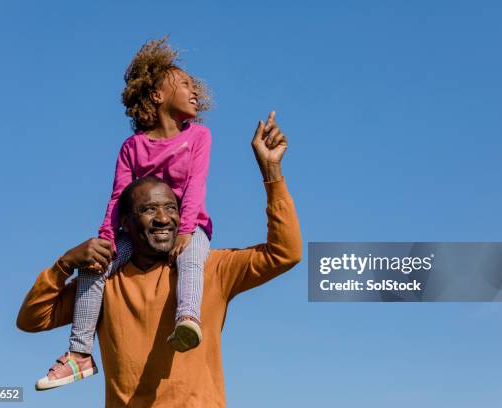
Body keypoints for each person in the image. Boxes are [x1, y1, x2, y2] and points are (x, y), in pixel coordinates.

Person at [17, 112, 302, 407]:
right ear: (125, 223)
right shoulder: (104, 282)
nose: (164, 218)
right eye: (149, 210)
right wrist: (63, 265)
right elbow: (31, 319)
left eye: (171, 208)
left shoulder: (211, 268)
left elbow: (285, 253)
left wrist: (272, 173)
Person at [34, 38, 214, 390]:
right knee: (95, 267)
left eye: (195, 88)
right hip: (137, 233)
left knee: (192, 260)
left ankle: (187, 318)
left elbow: (196, 185)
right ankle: (80, 354)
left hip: (190, 227)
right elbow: (119, 197)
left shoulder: (199, 137)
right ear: (157, 96)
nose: (195, 92)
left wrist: (186, 230)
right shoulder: (132, 147)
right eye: (185, 85)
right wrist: (105, 240)